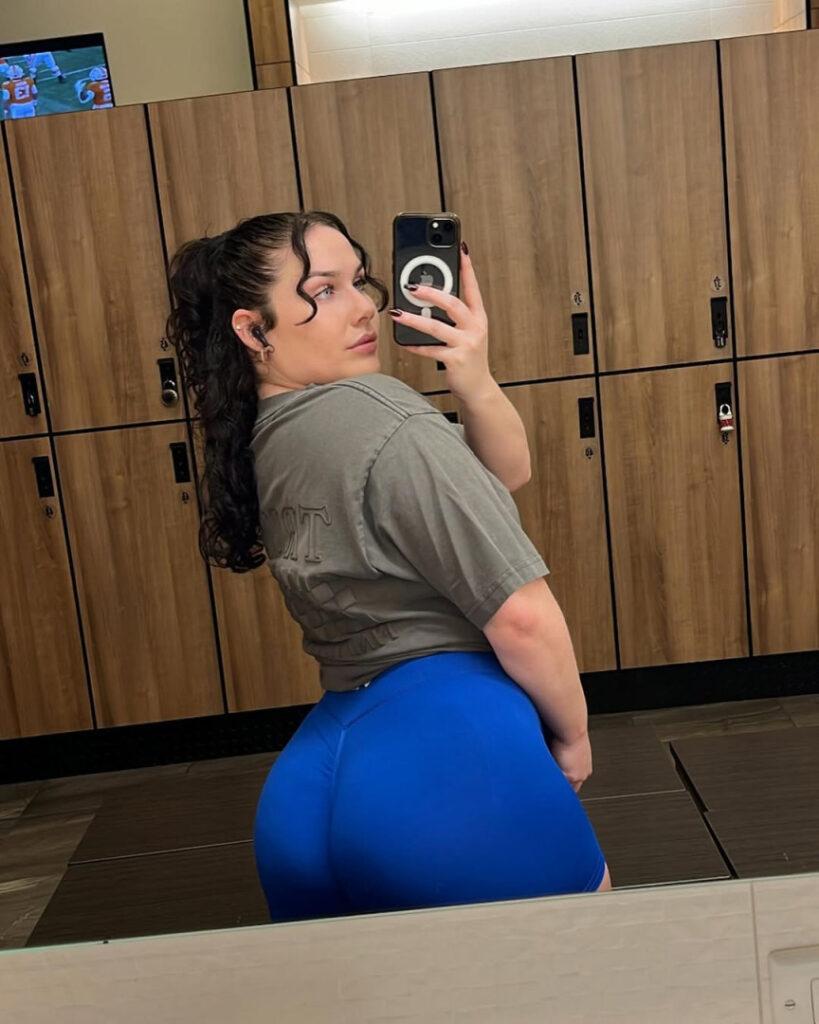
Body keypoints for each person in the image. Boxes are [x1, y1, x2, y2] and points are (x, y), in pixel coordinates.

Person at [165, 210, 612, 923]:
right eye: (325, 290)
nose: (364, 306)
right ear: (253, 330)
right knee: (589, 970)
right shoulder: (383, 414)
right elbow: (522, 617)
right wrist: (575, 735)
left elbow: (503, 477)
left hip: (309, 790)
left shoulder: (271, 435)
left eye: (359, 281)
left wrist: (473, 378)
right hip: (450, 768)